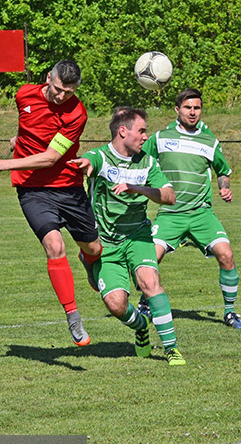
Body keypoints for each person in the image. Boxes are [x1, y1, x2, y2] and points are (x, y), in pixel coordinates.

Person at [0, 60, 102, 348]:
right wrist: (18, 139)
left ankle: (88, 261)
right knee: (54, 246)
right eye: (58, 90)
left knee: (93, 247)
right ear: (48, 79)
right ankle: (73, 316)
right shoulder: (24, 95)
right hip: (32, 188)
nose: (61, 97)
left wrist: (2, 163)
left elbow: (50, 158)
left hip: (68, 187)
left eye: (68, 92)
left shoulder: (77, 114)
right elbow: (28, 126)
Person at [69, 107, 187, 366]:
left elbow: (169, 196)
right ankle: (141, 325)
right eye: (141, 131)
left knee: (149, 282)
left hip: (138, 236)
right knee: (116, 305)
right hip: (107, 243)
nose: (146, 136)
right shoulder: (100, 156)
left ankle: (171, 349)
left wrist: (138, 188)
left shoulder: (148, 162)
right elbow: (90, 161)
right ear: (123, 131)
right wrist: (86, 165)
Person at [139, 88, 241, 329]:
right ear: (177, 110)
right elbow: (141, 162)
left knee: (226, 255)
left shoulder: (209, 141)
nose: (193, 112)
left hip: (201, 214)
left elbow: (223, 171)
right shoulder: (161, 137)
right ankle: (145, 303)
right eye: (188, 108)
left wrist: (224, 187)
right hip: (170, 214)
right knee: (150, 258)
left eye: (197, 108)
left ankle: (230, 312)